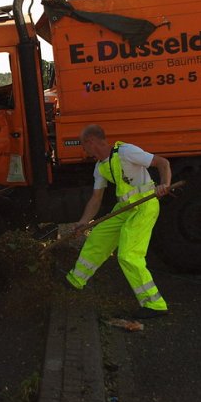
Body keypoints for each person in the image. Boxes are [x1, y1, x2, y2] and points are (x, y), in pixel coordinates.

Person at [64, 124, 172, 319]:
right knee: (98, 236)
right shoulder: (100, 167)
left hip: (144, 207)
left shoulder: (127, 152)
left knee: (128, 255)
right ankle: (75, 281)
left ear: (91, 142)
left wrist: (164, 184)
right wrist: (82, 222)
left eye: (83, 145)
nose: (84, 150)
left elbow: (163, 163)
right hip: (124, 208)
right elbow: (96, 199)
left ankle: (154, 304)